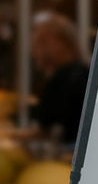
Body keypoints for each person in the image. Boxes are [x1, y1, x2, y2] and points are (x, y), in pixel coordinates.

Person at [30, 11, 89, 143]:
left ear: (64, 42)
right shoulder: (82, 72)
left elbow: (44, 129)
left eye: (42, 41)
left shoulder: (68, 77)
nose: (35, 48)